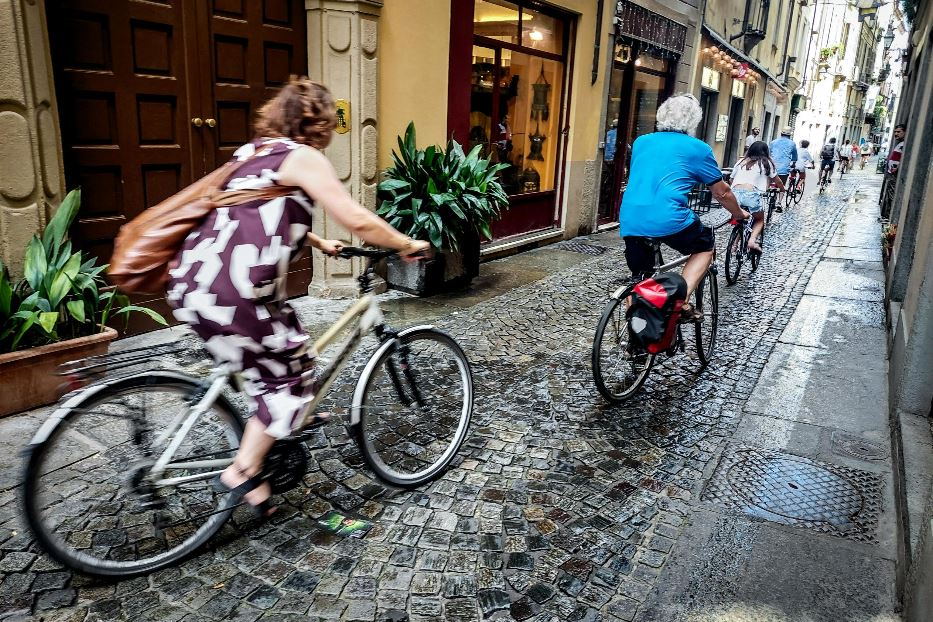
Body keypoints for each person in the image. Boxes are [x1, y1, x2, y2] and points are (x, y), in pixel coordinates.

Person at [166, 77, 431, 515]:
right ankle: (242, 470)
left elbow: (252, 210)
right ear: (319, 123)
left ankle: (262, 468)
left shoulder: (251, 153)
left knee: (282, 348)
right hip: (236, 294)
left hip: (192, 281)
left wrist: (314, 241)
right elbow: (356, 219)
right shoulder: (302, 156)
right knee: (287, 379)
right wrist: (403, 243)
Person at [619, 93, 749, 317]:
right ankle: (680, 301)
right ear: (694, 121)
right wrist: (739, 213)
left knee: (642, 278)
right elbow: (722, 192)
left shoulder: (642, 142)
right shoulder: (698, 149)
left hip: (631, 217)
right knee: (705, 246)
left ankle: (635, 339)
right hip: (669, 217)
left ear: (662, 116)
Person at [730, 141, 785, 253]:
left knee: (742, 219)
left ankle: (734, 245)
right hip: (751, 194)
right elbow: (777, 181)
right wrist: (783, 189)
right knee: (759, 220)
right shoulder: (766, 162)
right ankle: (752, 241)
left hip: (734, 194)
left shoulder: (741, 161)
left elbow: (731, 179)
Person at [881, 124, 907, 219]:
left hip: (894, 174)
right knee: (889, 194)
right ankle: (886, 216)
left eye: (899, 132)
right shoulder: (900, 144)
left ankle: (888, 217)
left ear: (904, 132)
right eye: (895, 132)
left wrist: (897, 167)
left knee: (891, 195)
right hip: (891, 173)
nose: (896, 134)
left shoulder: (904, 144)